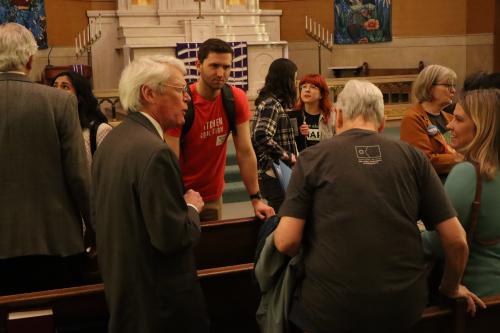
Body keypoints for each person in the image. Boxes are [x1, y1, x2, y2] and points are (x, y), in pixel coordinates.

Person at [274, 80, 485, 333]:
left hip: (330, 310)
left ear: (338, 117)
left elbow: (286, 242)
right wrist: (450, 288)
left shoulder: (312, 159)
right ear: (383, 123)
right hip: (404, 310)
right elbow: (456, 240)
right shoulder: (414, 158)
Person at [92, 55, 209, 333]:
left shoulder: (112, 140)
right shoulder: (156, 152)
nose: (188, 99)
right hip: (160, 306)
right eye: (181, 90)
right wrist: (191, 208)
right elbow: (171, 237)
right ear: (149, 93)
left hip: (125, 294)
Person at [0, 23, 91, 295]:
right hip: (55, 241)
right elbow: (78, 174)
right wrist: (95, 228)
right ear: (30, 60)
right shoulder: (59, 102)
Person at [165, 38, 274, 221]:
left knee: (214, 246)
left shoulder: (234, 99)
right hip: (180, 197)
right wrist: (176, 200)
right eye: (214, 66)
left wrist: (256, 199)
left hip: (212, 197)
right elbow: (170, 161)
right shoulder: (183, 102)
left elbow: (245, 152)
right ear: (198, 65)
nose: (221, 73)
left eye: (226, 67)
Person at [422, 88, 500, 297]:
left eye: (458, 119)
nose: (449, 125)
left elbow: (439, 244)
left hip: (475, 297)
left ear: (481, 127)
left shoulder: (468, 174)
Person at [251, 58, 299, 212]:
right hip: (276, 174)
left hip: (279, 173)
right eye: (294, 78)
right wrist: (287, 156)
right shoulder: (272, 104)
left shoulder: (272, 102)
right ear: (286, 80)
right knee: (281, 221)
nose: (295, 83)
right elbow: (260, 136)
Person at [400, 64, 463, 179]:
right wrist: (461, 158)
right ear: (429, 87)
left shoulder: (450, 118)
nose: (453, 90)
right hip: (431, 183)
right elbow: (424, 160)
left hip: (455, 176)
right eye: (448, 85)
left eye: (454, 86)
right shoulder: (413, 119)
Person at [53, 71, 112, 170]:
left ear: (79, 96)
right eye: (54, 86)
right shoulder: (54, 127)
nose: (57, 91)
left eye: (65, 87)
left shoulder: (100, 131)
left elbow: (108, 173)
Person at [289, 73, 335, 151]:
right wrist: (300, 135)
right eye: (304, 87)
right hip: (302, 161)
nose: (307, 90)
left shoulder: (332, 116)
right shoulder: (293, 116)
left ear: (321, 95)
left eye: (313, 87)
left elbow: (338, 143)